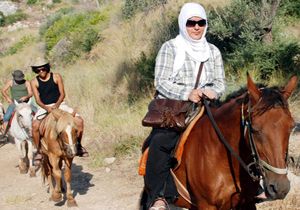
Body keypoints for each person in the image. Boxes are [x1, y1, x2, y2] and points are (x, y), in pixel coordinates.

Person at [144, 3, 225, 209]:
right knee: (160, 143)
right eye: (191, 23)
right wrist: (188, 92)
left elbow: (220, 82)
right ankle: (159, 196)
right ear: (183, 24)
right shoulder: (170, 48)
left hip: (208, 105)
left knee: (241, 129)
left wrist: (213, 91)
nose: (196, 27)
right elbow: (161, 81)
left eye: (201, 22)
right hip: (177, 108)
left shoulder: (213, 51)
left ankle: (253, 184)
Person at [30, 57, 89, 160]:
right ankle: (38, 150)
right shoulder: (34, 82)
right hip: (45, 107)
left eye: (43, 68)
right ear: (35, 70)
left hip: (60, 104)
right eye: (38, 70)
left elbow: (62, 94)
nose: (41, 71)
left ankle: (79, 145)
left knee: (79, 121)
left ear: (47, 68)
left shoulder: (56, 77)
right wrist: (46, 108)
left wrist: (56, 105)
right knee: (35, 126)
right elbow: (38, 100)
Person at [1, 70, 36, 137]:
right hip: (15, 103)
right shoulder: (11, 82)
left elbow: (31, 93)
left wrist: (26, 96)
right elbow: (3, 90)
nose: (19, 80)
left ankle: (38, 131)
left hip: (26, 103)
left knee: (37, 112)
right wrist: (7, 98)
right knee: (6, 117)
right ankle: (4, 134)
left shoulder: (27, 82)